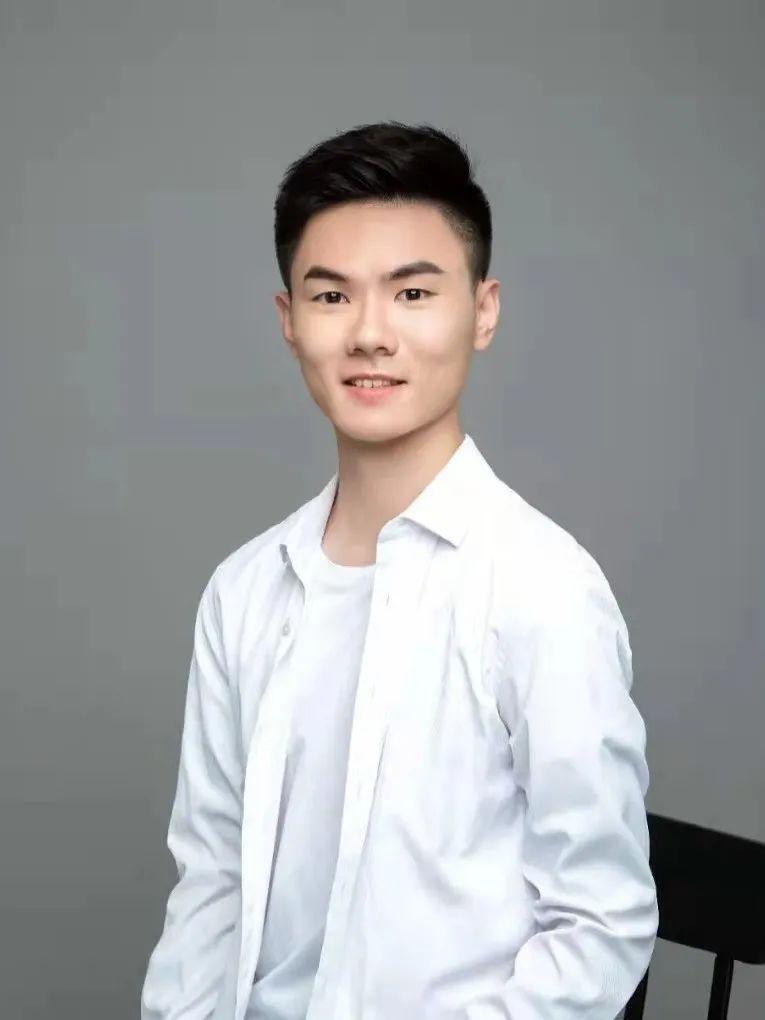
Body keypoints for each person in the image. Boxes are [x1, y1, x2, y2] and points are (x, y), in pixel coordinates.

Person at [140, 120, 659, 1020]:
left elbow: (599, 922)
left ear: (483, 311)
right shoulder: (245, 591)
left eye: (413, 292)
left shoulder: (540, 590)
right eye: (331, 296)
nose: (370, 334)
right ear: (288, 321)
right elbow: (211, 884)